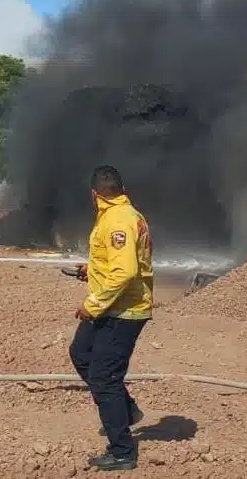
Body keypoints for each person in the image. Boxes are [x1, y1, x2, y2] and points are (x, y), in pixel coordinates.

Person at [69, 165, 154, 472]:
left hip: (123, 310)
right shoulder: (122, 214)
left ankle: (122, 451)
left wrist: (93, 304)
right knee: (80, 353)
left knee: (104, 378)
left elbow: (126, 271)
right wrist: (91, 270)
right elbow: (117, 262)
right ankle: (126, 411)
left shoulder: (118, 220)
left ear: (94, 195)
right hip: (112, 306)